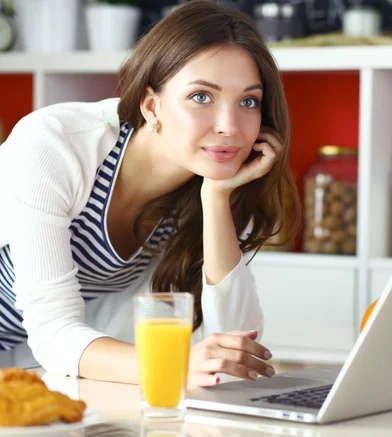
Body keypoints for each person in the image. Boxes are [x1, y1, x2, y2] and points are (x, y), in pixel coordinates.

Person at [0, 0, 300, 388]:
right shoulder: (55, 144)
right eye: (201, 97)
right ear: (151, 105)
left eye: (248, 101)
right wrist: (173, 364)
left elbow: (237, 344)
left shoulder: (204, 184)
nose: (229, 126)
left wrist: (216, 199)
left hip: (24, 370)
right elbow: (54, 330)